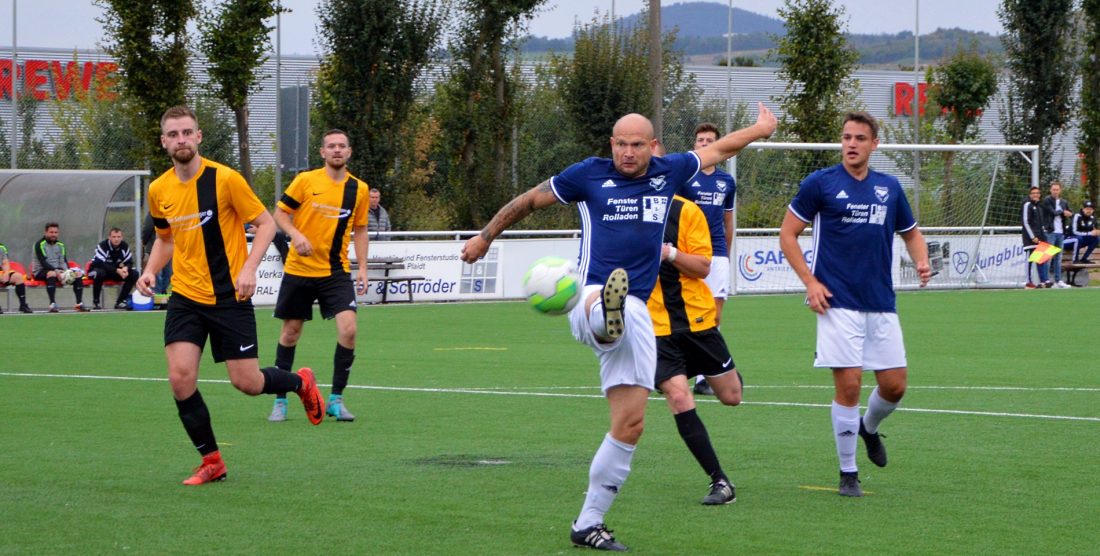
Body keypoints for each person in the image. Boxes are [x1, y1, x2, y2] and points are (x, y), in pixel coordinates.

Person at [461, 104, 776, 551]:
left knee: (630, 424)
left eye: (636, 145)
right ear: (612, 144)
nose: (628, 153)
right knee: (611, 307)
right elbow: (530, 200)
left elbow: (721, 149)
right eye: (621, 144)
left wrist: (761, 129)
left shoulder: (669, 172)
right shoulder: (587, 174)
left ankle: (588, 522)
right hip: (590, 294)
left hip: (638, 316)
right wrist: (485, 236)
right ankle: (604, 319)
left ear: (651, 146)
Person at [136, 105, 327, 486]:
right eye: (173, 135)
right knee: (180, 378)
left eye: (187, 132)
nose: (181, 140)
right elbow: (165, 239)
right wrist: (150, 271)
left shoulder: (225, 179)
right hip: (185, 297)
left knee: (248, 383)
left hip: (229, 297)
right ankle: (212, 461)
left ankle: (300, 382)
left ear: (199, 136)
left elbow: (266, 223)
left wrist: (248, 268)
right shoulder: (159, 190)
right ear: (164, 142)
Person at [778, 111, 931, 498]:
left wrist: (922, 259)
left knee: (895, 387)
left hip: (880, 301)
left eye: (860, 138)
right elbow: (788, 234)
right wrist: (811, 283)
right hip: (836, 301)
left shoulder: (889, 188)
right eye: (846, 137)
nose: (851, 144)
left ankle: (869, 428)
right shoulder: (821, 183)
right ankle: (849, 472)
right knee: (849, 385)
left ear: (874, 144)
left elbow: (911, 233)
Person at [647, 193, 744, 506]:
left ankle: (720, 372)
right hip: (657, 327)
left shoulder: (686, 210)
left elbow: (702, 267)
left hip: (698, 321)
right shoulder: (624, 211)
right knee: (678, 396)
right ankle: (720, 480)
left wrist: (669, 253)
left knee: (731, 396)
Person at [267, 129, 370, 423]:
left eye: (342, 146)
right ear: (322, 152)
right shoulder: (305, 181)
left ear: (349, 152)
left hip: (335, 271)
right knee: (290, 332)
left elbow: (360, 229)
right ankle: (280, 400)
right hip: (299, 269)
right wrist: (295, 234)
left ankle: (336, 400)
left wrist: (362, 266)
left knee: (349, 330)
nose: (337, 150)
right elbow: (280, 214)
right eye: (331, 146)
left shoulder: (359, 189)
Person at [681, 123, 737, 396]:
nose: (705, 144)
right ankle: (672, 370)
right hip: (688, 254)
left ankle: (704, 377)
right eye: (700, 140)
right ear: (695, 146)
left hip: (716, 255)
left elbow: (728, 222)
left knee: (713, 314)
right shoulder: (683, 178)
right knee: (682, 314)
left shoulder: (727, 182)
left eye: (710, 140)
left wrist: (724, 256)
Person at [33, 222, 89, 313]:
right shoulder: (39, 244)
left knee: (77, 274)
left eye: (56, 232)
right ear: (45, 232)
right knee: (51, 273)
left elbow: (63, 261)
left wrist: (67, 272)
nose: (53, 234)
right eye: (51, 232)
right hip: (41, 271)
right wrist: (56, 271)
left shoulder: (61, 245)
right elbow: (43, 262)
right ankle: (52, 304)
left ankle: (79, 303)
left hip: (58, 271)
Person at [89, 227, 138, 310]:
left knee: (134, 274)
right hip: (97, 270)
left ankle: (120, 302)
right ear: (109, 237)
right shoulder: (103, 245)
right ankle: (96, 302)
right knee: (100, 273)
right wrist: (117, 270)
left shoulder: (124, 246)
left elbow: (129, 261)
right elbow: (99, 263)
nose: (116, 239)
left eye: (118, 237)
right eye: (114, 237)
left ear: (122, 237)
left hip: (115, 272)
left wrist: (126, 268)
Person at [1040, 181, 1073, 288]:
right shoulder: (1047, 200)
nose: (1055, 191)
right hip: (1050, 232)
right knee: (1047, 257)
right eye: (1053, 189)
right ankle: (1046, 280)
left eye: (1057, 189)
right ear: (1050, 190)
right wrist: (1063, 212)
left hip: (1061, 232)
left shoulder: (1064, 202)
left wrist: (1069, 213)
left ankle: (1058, 280)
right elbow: (1053, 212)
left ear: (1060, 190)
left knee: (1058, 257)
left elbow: (1070, 212)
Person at [1021, 186, 1049, 289]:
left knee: (1041, 259)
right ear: (1030, 195)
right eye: (1033, 193)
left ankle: (1043, 280)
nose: (1035, 195)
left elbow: (1040, 224)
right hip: (1030, 239)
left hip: (1040, 237)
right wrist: (1032, 236)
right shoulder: (1027, 205)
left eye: (1037, 193)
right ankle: (1028, 282)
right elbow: (1025, 222)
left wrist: (1043, 235)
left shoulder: (1039, 207)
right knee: (1029, 260)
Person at [142, 212, 173, 295]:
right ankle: (156, 294)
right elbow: (147, 229)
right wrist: (144, 242)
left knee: (168, 272)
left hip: (169, 249)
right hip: (153, 248)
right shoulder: (154, 212)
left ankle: (162, 292)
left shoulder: (173, 212)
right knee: (157, 273)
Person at [0, 241, 34, 313]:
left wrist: (6, 274)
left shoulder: (1, 247)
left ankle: (23, 305)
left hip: (1, 272)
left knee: (18, 277)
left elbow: (5, 263)